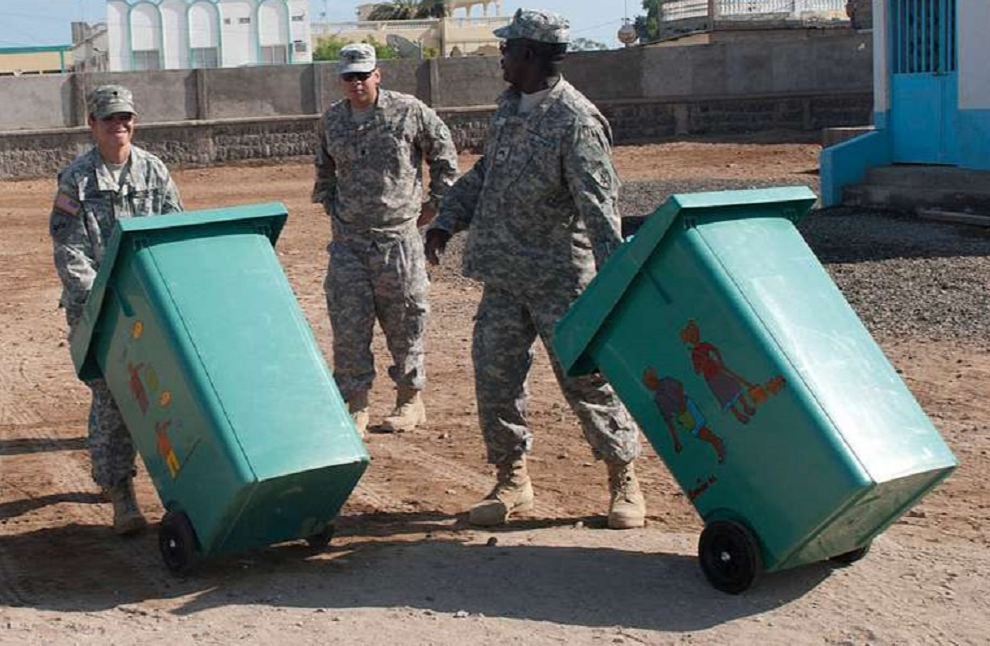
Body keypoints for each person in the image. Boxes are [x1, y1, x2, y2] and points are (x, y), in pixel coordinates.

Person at [424, 9, 646, 529]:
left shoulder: (577, 121)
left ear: (530, 54)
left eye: (507, 48)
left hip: (560, 281)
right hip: (503, 276)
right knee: (495, 378)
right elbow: (487, 172)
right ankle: (512, 479)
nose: (500, 55)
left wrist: (615, 286)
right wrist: (446, 220)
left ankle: (623, 478)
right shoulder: (509, 108)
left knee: (585, 381)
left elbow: (599, 207)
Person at [49, 84, 183, 535]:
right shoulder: (77, 179)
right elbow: (69, 250)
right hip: (97, 311)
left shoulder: (154, 170)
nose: (118, 125)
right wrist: (103, 302)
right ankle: (121, 491)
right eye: (109, 119)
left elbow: (172, 232)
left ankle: (157, 480)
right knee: (112, 396)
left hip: (148, 305)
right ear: (92, 124)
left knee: (159, 391)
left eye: (125, 117)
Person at [313, 43, 458, 436]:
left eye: (363, 74)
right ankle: (356, 404)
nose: (357, 82)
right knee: (349, 324)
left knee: (406, 320)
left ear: (378, 74)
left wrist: (436, 206)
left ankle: (409, 399)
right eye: (349, 76)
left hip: (398, 240)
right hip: (348, 244)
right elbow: (324, 173)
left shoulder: (408, 111)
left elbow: (445, 155)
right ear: (341, 80)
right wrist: (333, 207)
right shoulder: (332, 121)